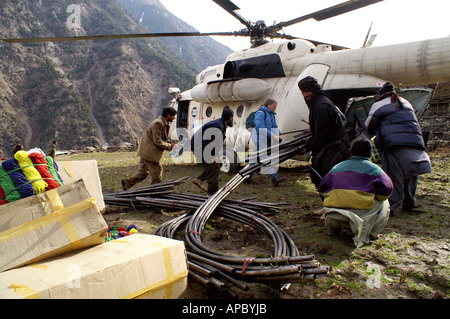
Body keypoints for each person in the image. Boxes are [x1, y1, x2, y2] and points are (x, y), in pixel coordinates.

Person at [365, 82, 431, 214]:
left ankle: (392, 206)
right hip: (415, 141)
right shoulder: (405, 102)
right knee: (411, 173)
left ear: (381, 94)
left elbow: (369, 125)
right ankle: (410, 202)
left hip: (393, 144)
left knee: (393, 175)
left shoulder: (379, 104)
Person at [318, 139, 394, 247]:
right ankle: (372, 233)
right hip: (360, 222)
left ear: (351, 153)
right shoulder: (376, 170)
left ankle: (333, 229)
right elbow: (386, 192)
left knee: (329, 195)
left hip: (334, 218)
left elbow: (322, 189)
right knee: (385, 202)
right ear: (369, 155)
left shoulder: (336, 168)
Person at [298, 76, 351, 189]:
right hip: (329, 147)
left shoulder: (321, 106)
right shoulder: (316, 103)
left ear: (314, 89)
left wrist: (306, 148)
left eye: (308, 90)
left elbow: (322, 136)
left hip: (334, 149)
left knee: (329, 182)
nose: (305, 94)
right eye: (303, 91)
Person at [121, 107, 177, 190]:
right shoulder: (158, 123)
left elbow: (162, 138)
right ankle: (154, 191)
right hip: (149, 153)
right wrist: (170, 146)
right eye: (173, 116)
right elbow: (157, 141)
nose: (174, 118)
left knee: (143, 173)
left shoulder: (162, 123)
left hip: (145, 152)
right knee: (157, 172)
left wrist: (170, 143)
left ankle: (127, 183)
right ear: (168, 115)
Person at [191, 108, 234, 195]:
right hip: (200, 147)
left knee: (217, 166)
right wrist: (211, 156)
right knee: (214, 169)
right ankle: (213, 194)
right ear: (230, 118)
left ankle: (199, 179)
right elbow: (207, 141)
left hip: (201, 146)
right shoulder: (217, 125)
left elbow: (216, 143)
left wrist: (216, 155)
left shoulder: (220, 124)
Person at [247, 99, 285, 186]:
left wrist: (278, 133)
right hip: (259, 138)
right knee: (265, 157)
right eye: (274, 106)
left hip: (265, 138)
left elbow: (274, 125)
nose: (275, 108)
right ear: (268, 105)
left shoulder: (271, 115)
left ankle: (247, 177)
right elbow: (260, 128)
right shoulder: (260, 113)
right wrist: (273, 135)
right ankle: (274, 178)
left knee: (256, 158)